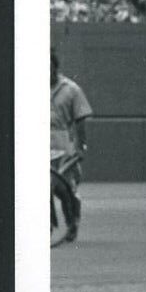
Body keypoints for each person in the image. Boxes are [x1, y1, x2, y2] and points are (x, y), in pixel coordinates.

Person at [50, 49, 92, 243]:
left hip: (63, 144)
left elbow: (80, 118)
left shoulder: (70, 89)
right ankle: (48, 225)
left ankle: (72, 222)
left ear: (55, 67)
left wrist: (81, 146)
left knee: (66, 189)